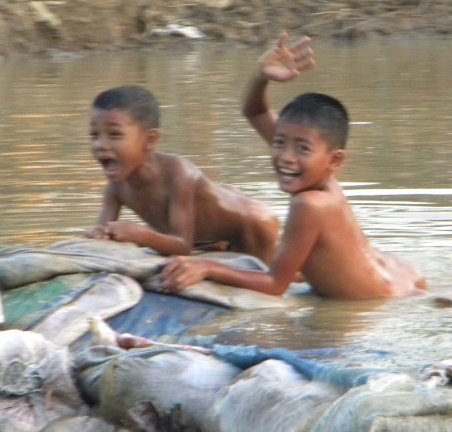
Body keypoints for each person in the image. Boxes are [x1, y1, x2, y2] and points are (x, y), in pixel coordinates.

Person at [161, 34, 427, 300]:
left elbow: (275, 284)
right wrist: (261, 75)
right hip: (401, 275)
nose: (286, 157)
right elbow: (255, 112)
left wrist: (207, 266)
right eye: (279, 143)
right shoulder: (318, 174)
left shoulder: (310, 204)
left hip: (386, 298)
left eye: (302, 148)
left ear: (335, 161)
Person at [85, 85, 278, 262]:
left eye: (114, 135)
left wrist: (140, 234)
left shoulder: (178, 174)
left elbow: (182, 246)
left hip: (255, 225)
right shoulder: (116, 189)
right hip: (208, 238)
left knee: (262, 282)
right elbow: (103, 237)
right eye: (95, 135)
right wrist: (97, 236)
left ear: (150, 140)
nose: (100, 145)